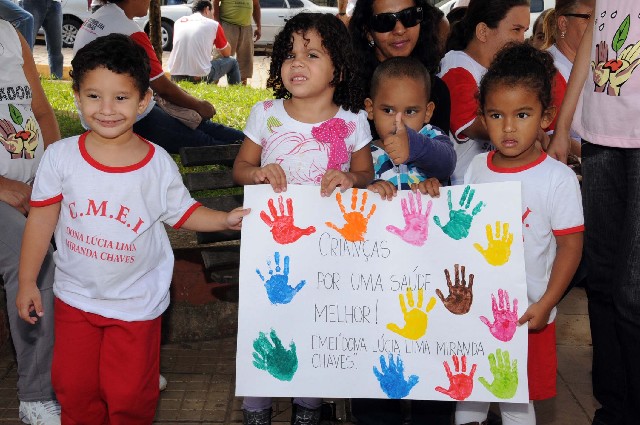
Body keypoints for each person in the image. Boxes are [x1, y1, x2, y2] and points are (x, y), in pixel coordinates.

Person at [16, 33, 250, 424]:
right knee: (74, 388)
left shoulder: (156, 163)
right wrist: (26, 282)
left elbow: (183, 212)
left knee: (129, 394)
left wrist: (224, 219)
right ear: (76, 94)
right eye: (94, 96)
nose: (107, 109)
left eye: (121, 98)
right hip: (76, 298)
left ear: (144, 101)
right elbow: (41, 220)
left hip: (137, 304)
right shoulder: (60, 158)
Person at [232, 13, 373, 424]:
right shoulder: (266, 113)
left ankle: (308, 410)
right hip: (270, 254)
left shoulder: (352, 122)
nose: (297, 63)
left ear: (339, 69)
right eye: (290, 54)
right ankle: (256, 409)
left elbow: (366, 175)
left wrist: (351, 177)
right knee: (264, 323)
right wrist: (257, 173)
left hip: (328, 252)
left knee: (315, 325)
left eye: (312, 54)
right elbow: (240, 168)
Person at [457, 42, 583, 425]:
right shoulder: (476, 168)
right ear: (482, 116)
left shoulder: (557, 178)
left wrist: (546, 303)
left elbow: (570, 248)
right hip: (477, 311)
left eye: (522, 114)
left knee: (517, 400)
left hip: (529, 315)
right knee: (469, 394)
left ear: (546, 115)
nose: (508, 127)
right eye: (496, 115)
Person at [547, 1, 640, 423]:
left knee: (632, 291)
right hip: (601, 141)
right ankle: (613, 404)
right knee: (601, 279)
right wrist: (564, 127)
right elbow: (589, 48)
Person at [73, 0, 245, 155]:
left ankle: (254, 147)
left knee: (200, 127)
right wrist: (199, 105)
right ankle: (252, 155)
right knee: (203, 140)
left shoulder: (99, 16)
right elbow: (163, 88)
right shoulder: (130, 31)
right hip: (131, 117)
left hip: (106, 108)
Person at [0, 17, 61, 425]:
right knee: (34, 261)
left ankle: (112, 364)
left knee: (102, 233)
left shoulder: (9, 33)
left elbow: (41, 111)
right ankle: (36, 395)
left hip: (35, 186)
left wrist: (54, 174)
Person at [438, 0, 530, 185]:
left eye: (524, 31)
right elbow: (474, 126)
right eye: (516, 30)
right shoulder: (456, 68)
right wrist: (531, 127)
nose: (522, 40)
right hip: (466, 190)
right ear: (483, 31)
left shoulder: (495, 70)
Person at [349, 0, 452, 136]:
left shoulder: (436, 90)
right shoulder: (347, 91)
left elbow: (441, 154)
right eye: (384, 21)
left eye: (409, 16)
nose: (399, 30)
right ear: (367, 32)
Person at [365, 56, 455, 200]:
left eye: (410, 112)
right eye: (388, 110)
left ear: (428, 112)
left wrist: (414, 146)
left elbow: (447, 164)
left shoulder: (431, 136)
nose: (398, 121)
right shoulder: (363, 153)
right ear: (370, 109)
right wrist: (371, 188)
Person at [541, 0, 594, 156]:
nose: (596, 25)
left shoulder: (601, 63)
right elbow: (551, 135)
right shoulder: (546, 68)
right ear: (563, 23)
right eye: (588, 17)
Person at [168, 0, 241, 85]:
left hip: (175, 75)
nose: (213, 17)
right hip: (199, 76)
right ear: (207, 9)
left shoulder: (178, 22)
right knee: (233, 62)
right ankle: (236, 91)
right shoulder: (213, 24)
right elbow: (227, 53)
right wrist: (226, 42)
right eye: (212, 13)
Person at [213, 0, 261, 85]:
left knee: (245, 59)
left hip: (246, 27)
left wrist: (258, 27)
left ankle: (241, 89)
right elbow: (215, 2)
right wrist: (218, 24)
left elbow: (256, 5)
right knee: (221, 56)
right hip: (227, 25)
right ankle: (211, 84)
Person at [23, 0, 63, 79]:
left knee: (56, 47)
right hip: (30, 3)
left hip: (54, 3)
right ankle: (25, 79)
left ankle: (57, 80)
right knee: (26, 46)